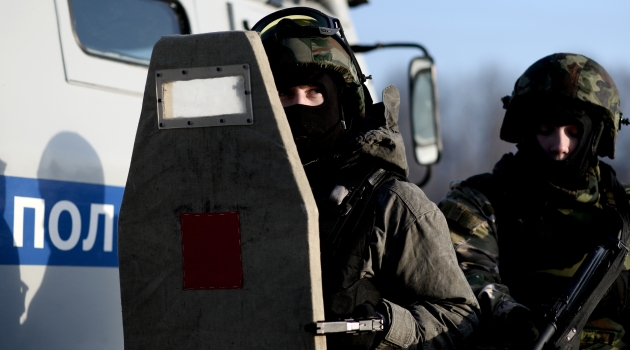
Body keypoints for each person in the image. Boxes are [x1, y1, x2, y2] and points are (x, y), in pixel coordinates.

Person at [252, 7, 479, 350]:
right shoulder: (235, 193)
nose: (300, 107)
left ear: (342, 103)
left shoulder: (392, 203)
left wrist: (382, 328)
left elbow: (458, 315)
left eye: (314, 92)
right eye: (285, 94)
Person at [438, 53, 630, 349]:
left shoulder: (623, 209)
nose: (560, 146)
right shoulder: (479, 201)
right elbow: (463, 281)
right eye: (546, 130)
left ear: (596, 135)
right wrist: (512, 317)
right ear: (527, 130)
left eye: (573, 132)